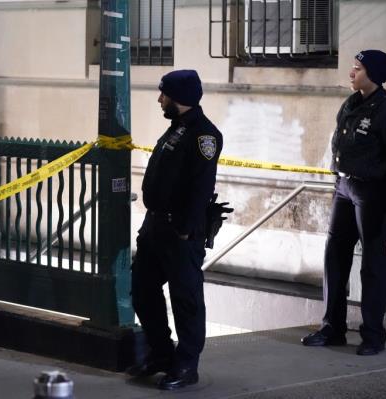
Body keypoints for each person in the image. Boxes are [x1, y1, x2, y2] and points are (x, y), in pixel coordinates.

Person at [301, 50, 386, 355]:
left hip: (375, 192)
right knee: (335, 256)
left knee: (372, 263)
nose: (351, 73)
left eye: (357, 69)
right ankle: (332, 328)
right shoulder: (351, 103)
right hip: (344, 186)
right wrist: (337, 181)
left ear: (373, 75)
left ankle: (372, 335)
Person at [128, 69, 223, 390]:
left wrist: (185, 229)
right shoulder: (176, 130)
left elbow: (201, 186)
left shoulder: (203, 135)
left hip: (180, 231)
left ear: (178, 97)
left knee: (186, 299)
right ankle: (161, 353)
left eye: (163, 94)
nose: (159, 99)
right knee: (142, 290)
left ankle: (186, 365)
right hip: (155, 225)